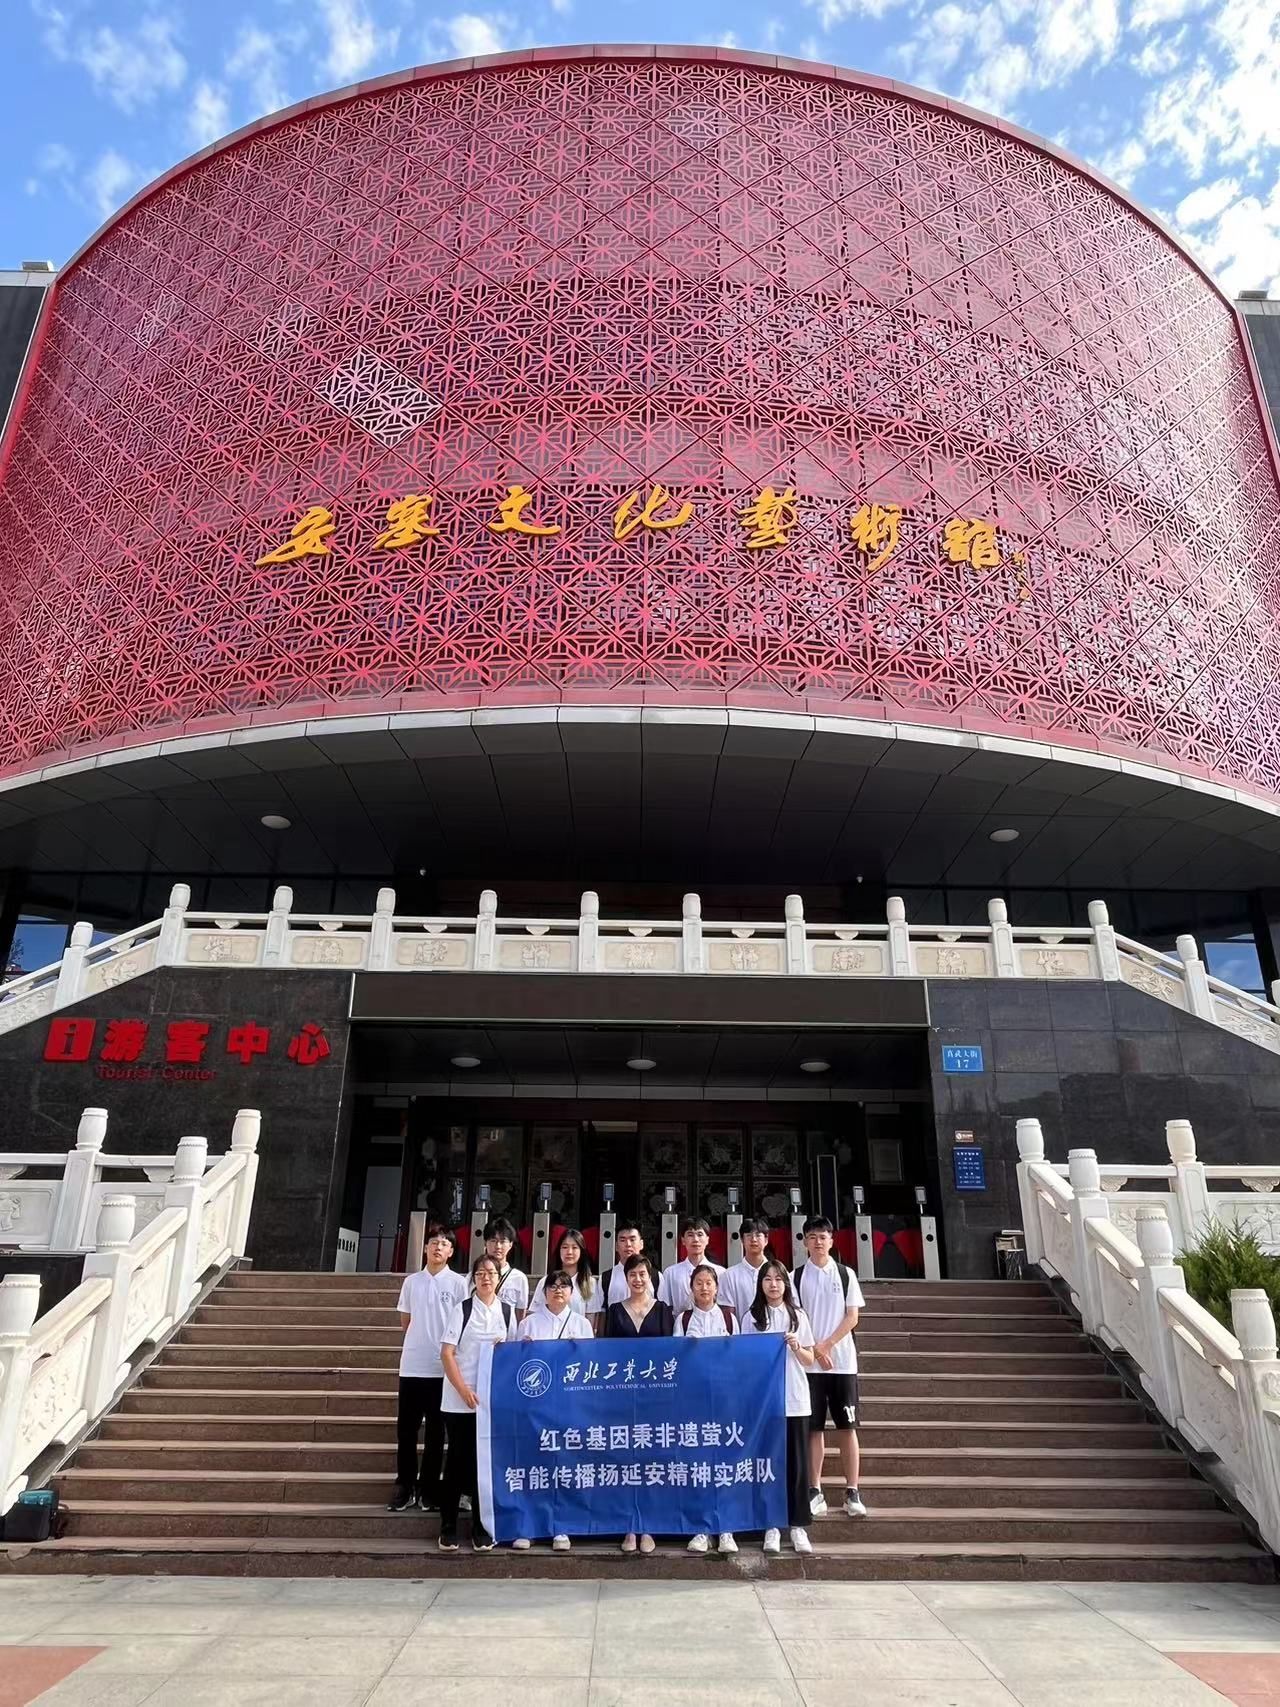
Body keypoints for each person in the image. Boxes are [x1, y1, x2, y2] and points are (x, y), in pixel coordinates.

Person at [438, 1252, 518, 1551]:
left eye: (491, 1273)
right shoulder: (462, 1309)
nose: (486, 1278)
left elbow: (512, 1355)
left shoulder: (507, 1311)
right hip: (459, 1400)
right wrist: (463, 1390)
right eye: (480, 1273)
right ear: (473, 1278)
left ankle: (480, 1527)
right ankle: (448, 1526)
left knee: (483, 1464)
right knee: (457, 1461)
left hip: (489, 1402)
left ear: (499, 1278)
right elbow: (447, 1353)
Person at [511, 1269, 594, 1554]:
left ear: (572, 1293)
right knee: (535, 1467)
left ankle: (562, 1526)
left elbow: (590, 1366)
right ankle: (529, 1527)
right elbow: (516, 1365)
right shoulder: (529, 1324)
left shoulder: (582, 1324)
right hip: (536, 1407)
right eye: (553, 1286)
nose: (558, 1290)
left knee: (565, 1466)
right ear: (544, 1292)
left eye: (564, 1286)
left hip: (569, 1405)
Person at [388, 1224, 467, 1513]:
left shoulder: (458, 1284)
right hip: (412, 1365)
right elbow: (406, 1322)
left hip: (441, 1368)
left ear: (451, 1252)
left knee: (435, 1432)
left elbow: (461, 1325)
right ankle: (405, 1484)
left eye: (444, 1243)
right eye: (433, 1242)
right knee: (406, 1430)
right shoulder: (412, 1282)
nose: (437, 1247)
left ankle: (429, 1487)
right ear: (425, 1247)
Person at [741, 1259, 817, 1554]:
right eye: (767, 1279)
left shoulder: (798, 1316)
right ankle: (771, 1525)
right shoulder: (751, 1317)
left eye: (778, 1279)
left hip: (794, 1399)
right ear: (760, 1284)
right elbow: (745, 1360)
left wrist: (797, 1347)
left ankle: (798, 1526)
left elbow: (809, 1360)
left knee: (797, 1465)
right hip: (764, 1402)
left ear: (786, 1283)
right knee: (768, 1464)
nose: (773, 1284)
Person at [793, 1216, 867, 1520]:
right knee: (814, 1429)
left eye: (823, 1236)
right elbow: (796, 1318)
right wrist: (814, 1350)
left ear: (832, 1240)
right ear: (804, 1242)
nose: (818, 1242)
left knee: (847, 1427)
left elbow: (852, 1317)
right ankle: (815, 1490)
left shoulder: (846, 1274)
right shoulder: (795, 1276)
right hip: (809, 1366)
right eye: (812, 1237)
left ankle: (853, 1491)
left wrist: (825, 1346)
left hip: (842, 1363)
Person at [600, 1252, 672, 1557]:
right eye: (632, 1275)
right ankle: (629, 1525)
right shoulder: (615, 1311)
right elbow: (606, 1355)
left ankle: (649, 1525)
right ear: (625, 1278)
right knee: (625, 1460)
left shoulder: (664, 1311)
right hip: (622, 1397)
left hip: (656, 1398)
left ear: (651, 1277)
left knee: (651, 1461)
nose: (638, 1279)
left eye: (643, 1274)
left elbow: (672, 1354)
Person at [674, 1263, 739, 1558]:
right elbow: (677, 1358)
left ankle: (726, 1528)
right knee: (699, 1464)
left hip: (725, 1399)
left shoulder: (728, 1317)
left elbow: (738, 1356)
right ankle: (701, 1528)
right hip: (694, 1400)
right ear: (691, 1288)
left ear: (717, 1287)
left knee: (723, 1464)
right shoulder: (683, 1319)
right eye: (698, 1283)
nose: (704, 1287)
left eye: (708, 1282)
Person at [528, 1226, 602, 1319]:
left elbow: (591, 1319)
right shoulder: (545, 1281)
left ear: (581, 1251)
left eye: (574, 1247)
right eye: (565, 1247)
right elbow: (534, 1315)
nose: (569, 1252)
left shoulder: (589, 1283)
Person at [658, 1217, 726, 1315]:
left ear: (707, 1239)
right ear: (683, 1240)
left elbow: (724, 1307)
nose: (695, 1239)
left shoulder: (721, 1273)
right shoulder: (671, 1273)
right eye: (690, 1235)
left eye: (700, 1234)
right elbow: (665, 1307)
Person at [719, 1216, 772, 1321]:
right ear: (742, 1240)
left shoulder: (779, 1274)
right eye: (749, 1235)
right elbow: (728, 1315)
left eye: (758, 1235)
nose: (753, 1239)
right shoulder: (729, 1275)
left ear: (766, 1240)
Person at [480, 1215, 530, 1317]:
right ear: (485, 1243)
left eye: (503, 1241)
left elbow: (520, 1315)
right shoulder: (474, 1275)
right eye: (493, 1241)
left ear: (510, 1244)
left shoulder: (519, 1278)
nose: (498, 1246)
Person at [597, 1219, 645, 1313]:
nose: (628, 1244)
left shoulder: (655, 1277)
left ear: (641, 1244)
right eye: (623, 1240)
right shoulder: (606, 1278)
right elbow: (601, 1313)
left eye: (632, 1240)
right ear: (616, 1246)